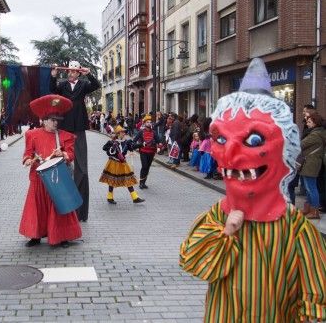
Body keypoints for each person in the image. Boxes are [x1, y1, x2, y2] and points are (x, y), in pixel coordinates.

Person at [179, 58, 326, 322]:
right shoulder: (217, 217)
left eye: (254, 139)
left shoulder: (294, 228)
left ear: (285, 149)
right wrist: (226, 232)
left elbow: (315, 292)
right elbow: (197, 264)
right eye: (221, 139)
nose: (231, 153)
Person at [19, 94, 82, 248]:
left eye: (57, 120)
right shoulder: (31, 135)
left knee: (59, 206)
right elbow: (27, 155)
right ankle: (36, 236)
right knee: (37, 207)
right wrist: (29, 160)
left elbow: (72, 155)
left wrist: (63, 154)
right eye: (52, 120)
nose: (55, 123)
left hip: (57, 178)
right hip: (38, 178)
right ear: (44, 120)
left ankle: (62, 236)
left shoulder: (65, 136)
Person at [50, 61, 101, 222]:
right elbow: (52, 91)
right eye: (69, 71)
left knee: (82, 168)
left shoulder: (84, 85)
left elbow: (97, 84)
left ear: (78, 73)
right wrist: (53, 76)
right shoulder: (63, 84)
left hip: (78, 127)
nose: (71, 73)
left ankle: (80, 212)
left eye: (74, 71)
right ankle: (61, 207)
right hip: (64, 126)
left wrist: (89, 73)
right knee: (60, 163)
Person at [99, 125, 144, 204]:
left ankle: (135, 197)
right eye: (122, 132)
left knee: (128, 179)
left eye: (124, 132)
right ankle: (110, 197)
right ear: (118, 133)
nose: (124, 133)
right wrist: (113, 147)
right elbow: (105, 149)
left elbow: (132, 147)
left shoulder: (126, 142)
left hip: (123, 163)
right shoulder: (111, 142)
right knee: (112, 180)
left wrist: (141, 144)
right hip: (113, 163)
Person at [298, 112, 326, 219]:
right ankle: (308, 209)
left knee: (311, 188)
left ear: (315, 123)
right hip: (310, 163)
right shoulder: (317, 132)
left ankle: (314, 211)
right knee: (309, 187)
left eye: (309, 122)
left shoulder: (315, 134)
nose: (307, 124)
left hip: (311, 163)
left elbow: (301, 144)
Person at [133, 114, 161, 189]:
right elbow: (134, 141)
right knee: (144, 166)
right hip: (143, 152)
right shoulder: (141, 132)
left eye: (150, 122)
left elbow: (159, 141)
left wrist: (159, 147)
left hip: (151, 152)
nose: (149, 123)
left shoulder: (154, 132)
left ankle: (144, 182)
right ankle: (141, 183)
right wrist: (140, 144)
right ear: (144, 123)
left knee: (147, 167)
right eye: (147, 122)